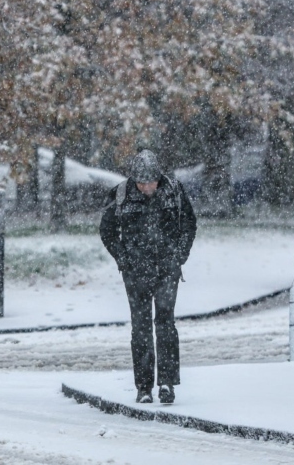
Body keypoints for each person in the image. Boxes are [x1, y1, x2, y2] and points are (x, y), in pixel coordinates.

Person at [99, 149, 196, 404]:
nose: (146, 187)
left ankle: (166, 383)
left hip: (167, 269)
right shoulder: (121, 194)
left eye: (150, 182)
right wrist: (123, 259)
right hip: (135, 273)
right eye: (142, 183)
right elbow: (107, 231)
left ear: (158, 177)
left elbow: (189, 224)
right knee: (140, 329)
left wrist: (180, 255)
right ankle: (144, 387)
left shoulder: (174, 191)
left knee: (165, 324)